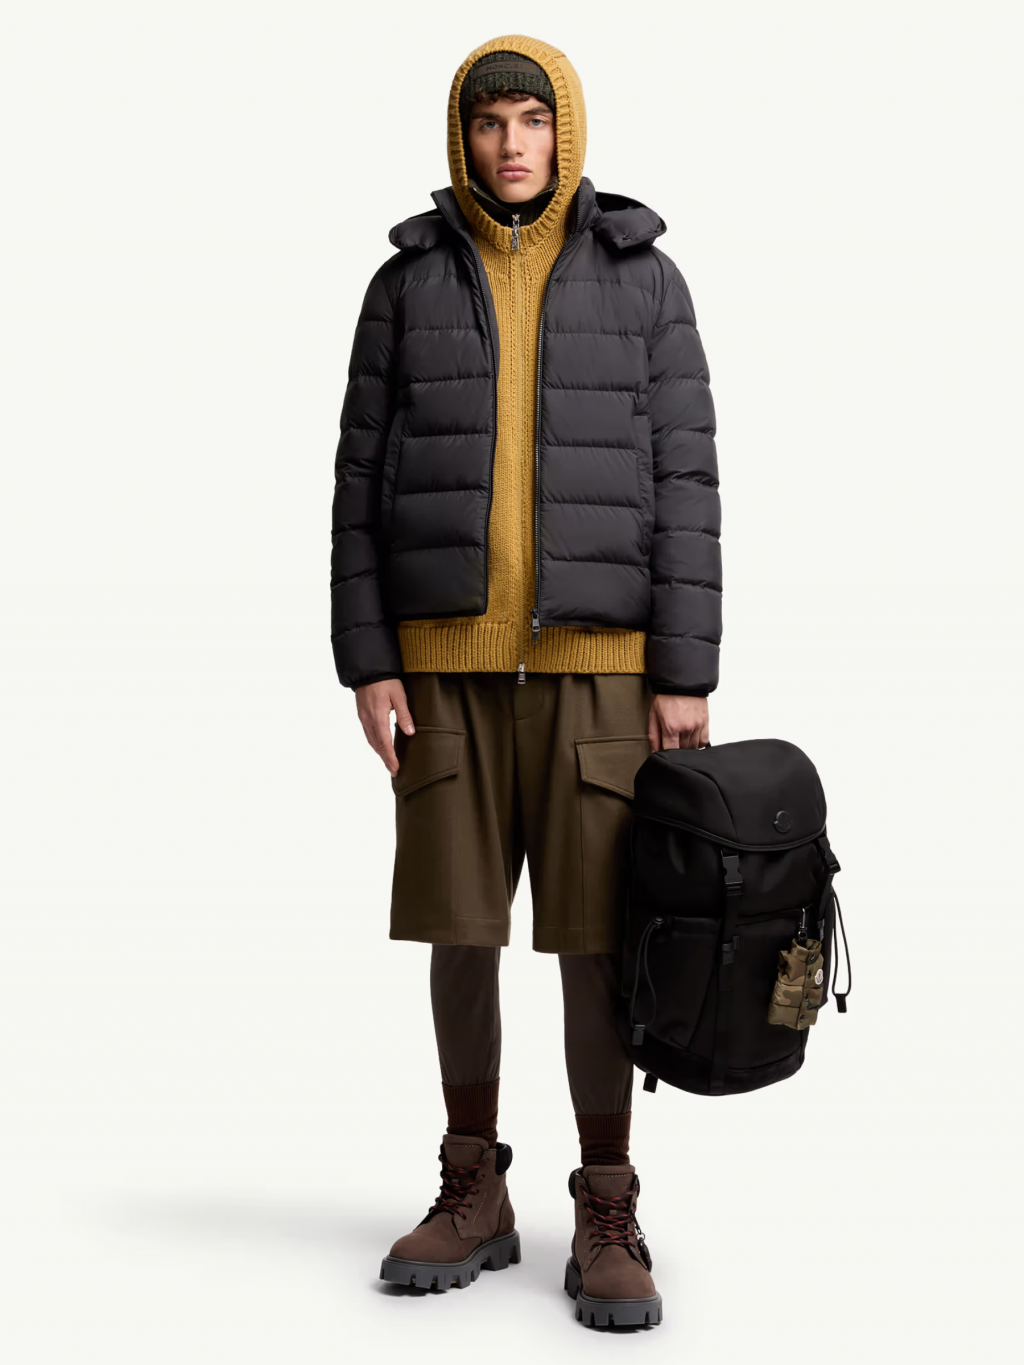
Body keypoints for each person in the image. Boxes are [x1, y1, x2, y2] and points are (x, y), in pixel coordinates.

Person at [330, 34, 721, 1328]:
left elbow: (686, 480)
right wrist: (370, 657)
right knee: (462, 932)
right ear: (464, 135)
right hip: (444, 670)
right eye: (491, 121)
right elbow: (357, 482)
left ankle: (606, 1200)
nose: (512, 144)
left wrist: (683, 668)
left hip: (604, 673)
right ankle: (473, 1187)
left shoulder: (644, 278)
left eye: (532, 122)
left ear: (568, 132)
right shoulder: (404, 286)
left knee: (600, 941)